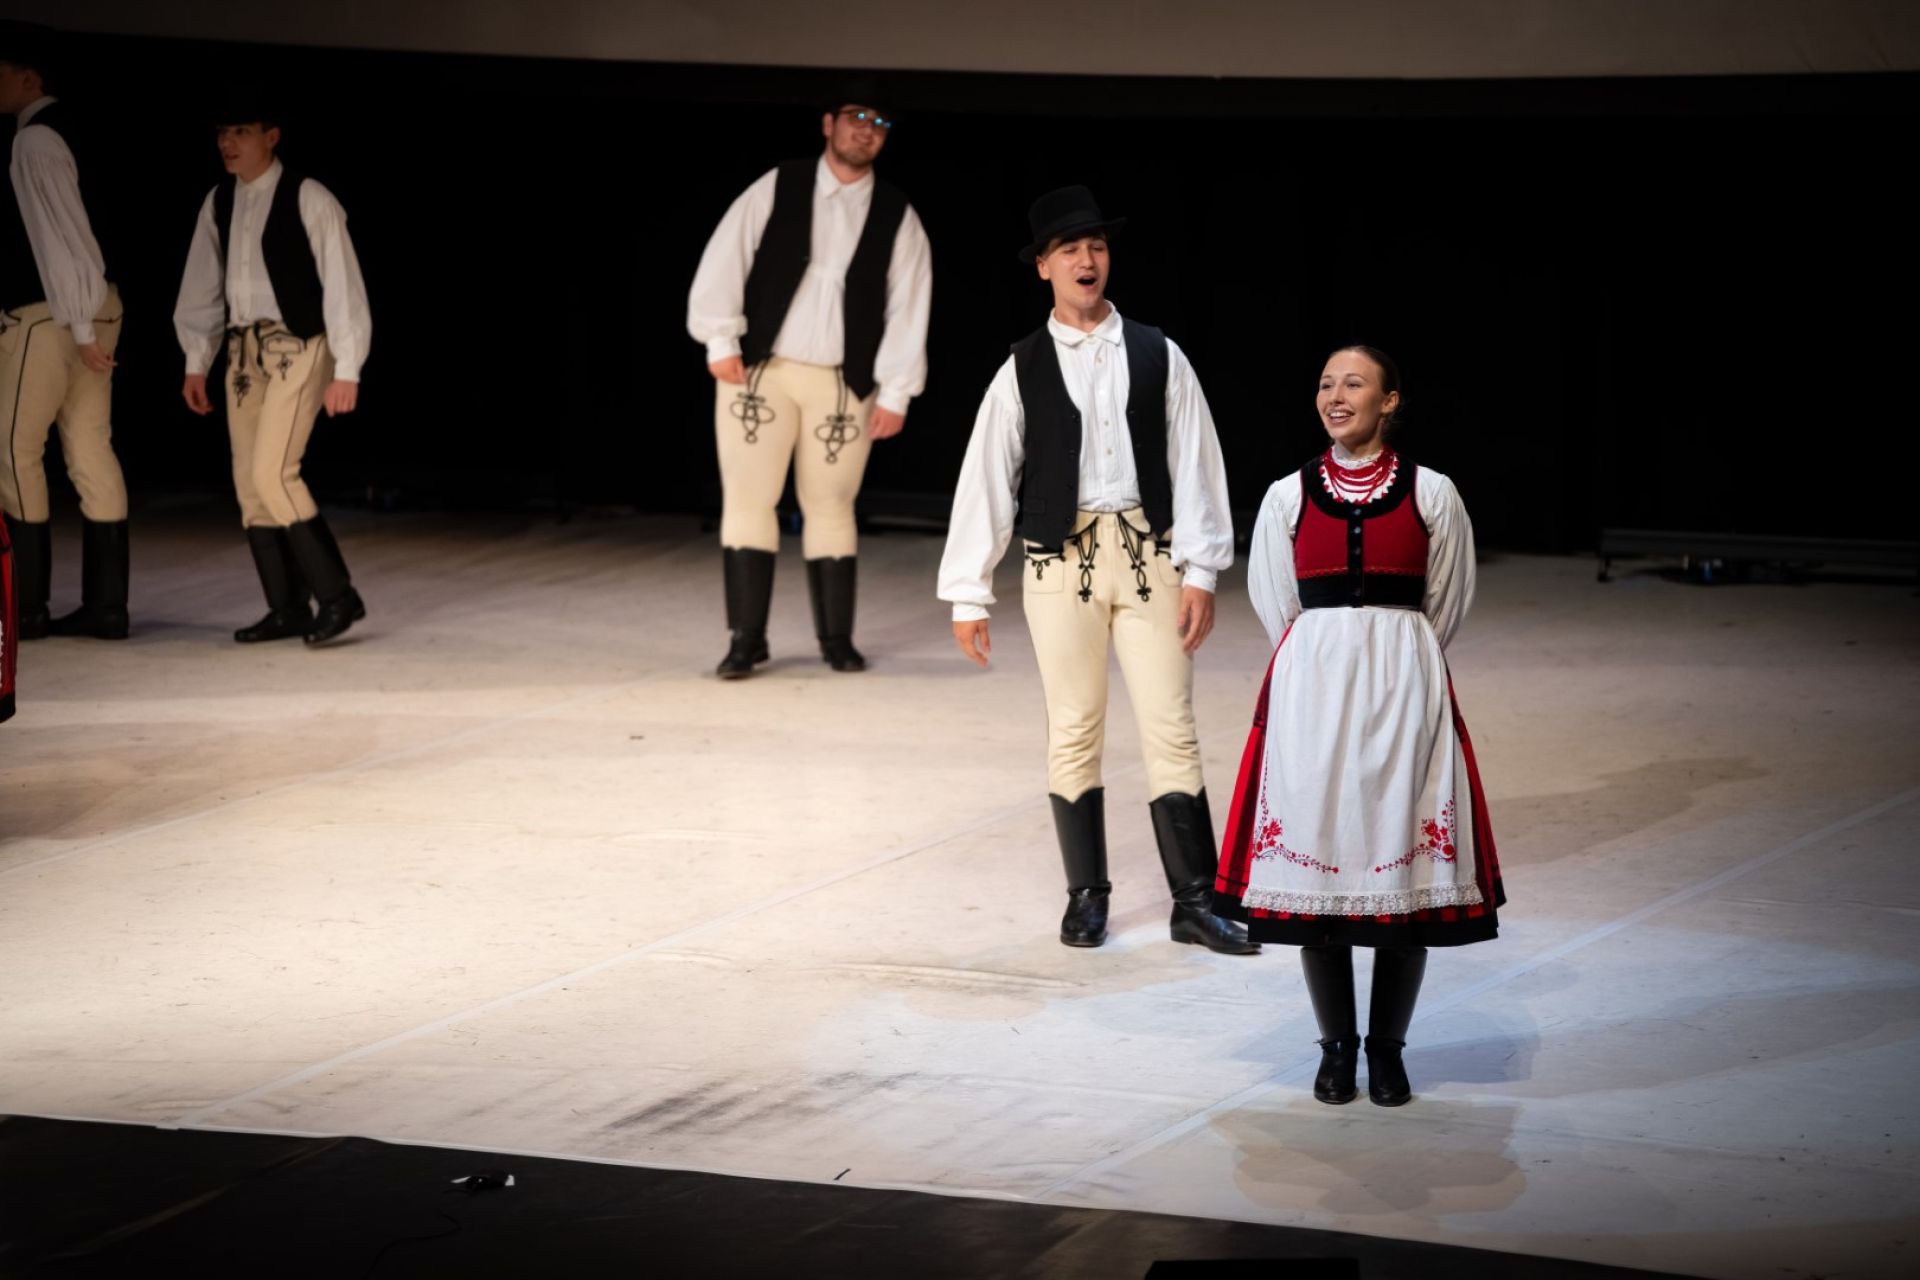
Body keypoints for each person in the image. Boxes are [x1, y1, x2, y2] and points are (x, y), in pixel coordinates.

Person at [938, 185, 1253, 957]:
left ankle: (1195, 900)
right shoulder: (1022, 367)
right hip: (1062, 566)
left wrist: (1203, 570)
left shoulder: (1156, 351)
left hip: (1150, 560)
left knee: (1171, 723)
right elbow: (987, 475)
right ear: (1043, 266)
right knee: (1074, 725)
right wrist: (969, 592)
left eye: (1097, 246)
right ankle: (1088, 895)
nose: (1087, 260)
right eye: (1070, 249)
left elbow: (1197, 462)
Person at [1211, 345, 1506, 1107]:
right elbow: (1276, 601)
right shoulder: (1286, 495)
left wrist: (1396, 656)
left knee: (1399, 872)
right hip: (1313, 694)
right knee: (1322, 869)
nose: (1335, 396)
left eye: (1353, 384)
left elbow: (1447, 602)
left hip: (1403, 690)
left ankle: (1389, 1048)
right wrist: (1327, 657)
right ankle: (1337, 1048)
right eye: (1325, 384)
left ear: (1390, 400)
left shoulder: (1433, 492)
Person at [687, 81, 932, 678]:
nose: (866, 129)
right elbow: (728, 254)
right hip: (761, 372)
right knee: (749, 498)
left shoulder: (896, 213)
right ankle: (746, 639)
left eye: (879, 122)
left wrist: (896, 391)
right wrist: (720, 339)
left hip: (843, 383)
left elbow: (909, 303)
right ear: (829, 123)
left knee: (832, 503)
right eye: (856, 116)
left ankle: (836, 639)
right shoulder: (781, 184)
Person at [173, 101, 372, 646]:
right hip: (244, 352)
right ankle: (287, 607)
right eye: (222, 132)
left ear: (272, 136)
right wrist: (197, 360)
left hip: (298, 345)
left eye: (241, 131)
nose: (227, 142)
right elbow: (200, 286)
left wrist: (347, 368)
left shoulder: (309, 197)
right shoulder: (219, 201)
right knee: (249, 482)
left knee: (274, 472)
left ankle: (338, 595)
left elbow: (343, 285)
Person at [0, 21, 130, 640]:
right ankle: (107, 607)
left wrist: (78, 324)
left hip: (52, 312)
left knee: (14, 449)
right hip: (91, 306)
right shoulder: (66, 131)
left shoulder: (35, 139)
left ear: (30, 78)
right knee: (89, 447)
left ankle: (26, 607)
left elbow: (62, 235)